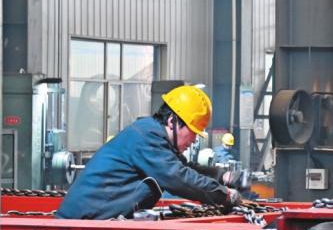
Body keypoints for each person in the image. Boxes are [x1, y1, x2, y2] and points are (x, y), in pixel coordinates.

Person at [56, 85, 241, 219]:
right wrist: (224, 195)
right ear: (172, 121)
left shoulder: (153, 136)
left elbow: (184, 168)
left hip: (92, 222)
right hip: (77, 227)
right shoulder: (146, 138)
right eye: (193, 132)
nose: (194, 140)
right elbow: (178, 177)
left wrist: (221, 176)